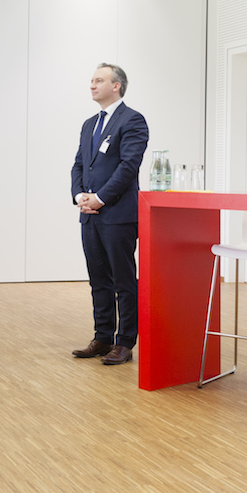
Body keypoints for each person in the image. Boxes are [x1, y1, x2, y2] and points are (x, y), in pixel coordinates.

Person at [70, 63, 150, 366]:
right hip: (89, 215)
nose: (92, 85)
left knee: (123, 281)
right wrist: (80, 196)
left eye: (99, 80)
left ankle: (125, 342)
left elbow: (128, 166)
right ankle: (102, 337)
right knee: (98, 279)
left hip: (118, 215)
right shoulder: (89, 124)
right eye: (91, 80)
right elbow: (79, 164)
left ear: (116, 85)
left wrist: (100, 198)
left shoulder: (132, 120)